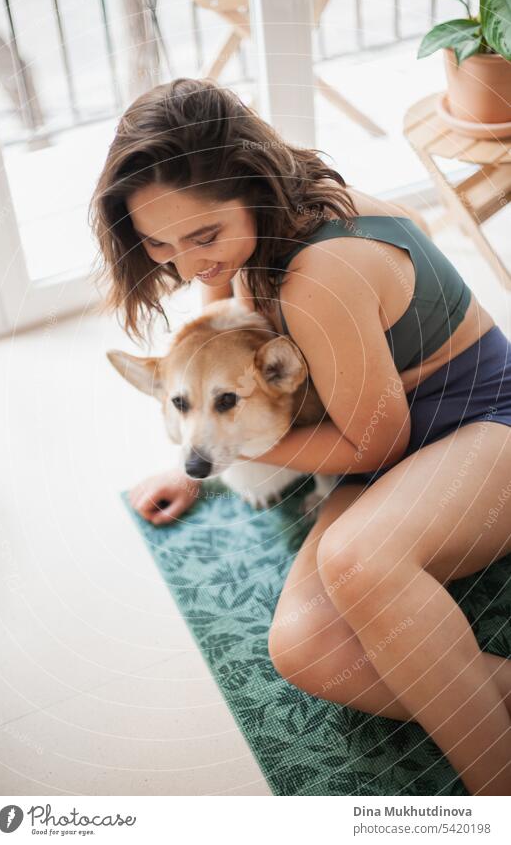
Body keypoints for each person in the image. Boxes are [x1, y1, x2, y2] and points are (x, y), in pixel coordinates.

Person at [89, 77, 511, 795]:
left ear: (249, 186)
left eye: (203, 236)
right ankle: (479, 687)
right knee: (305, 647)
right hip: (396, 442)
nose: (189, 266)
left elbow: (373, 445)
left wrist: (231, 448)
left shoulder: (319, 273)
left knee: (354, 559)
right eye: (160, 244)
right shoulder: (256, 233)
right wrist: (193, 447)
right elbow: (215, 334)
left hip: (481, 428)